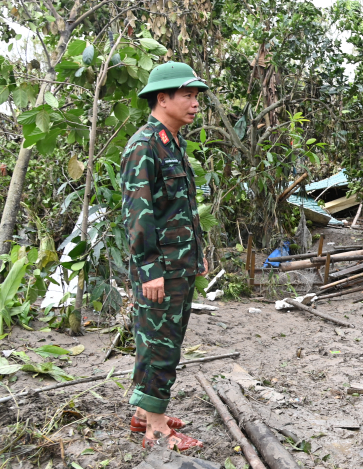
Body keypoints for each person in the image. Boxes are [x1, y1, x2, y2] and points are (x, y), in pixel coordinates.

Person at [122, 61, 209, 451]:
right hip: (160, 268)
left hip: (180, 262)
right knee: (160, 342)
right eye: (187, 96)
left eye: (196, 97)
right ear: (163, 98)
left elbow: (181, 208)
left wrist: (198, 254)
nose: (194, 104)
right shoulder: (143, 146)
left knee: (159, 338)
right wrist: (149, 269)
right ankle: (157, 427)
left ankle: (143, 413)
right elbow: (138, 214)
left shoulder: (172, 143)